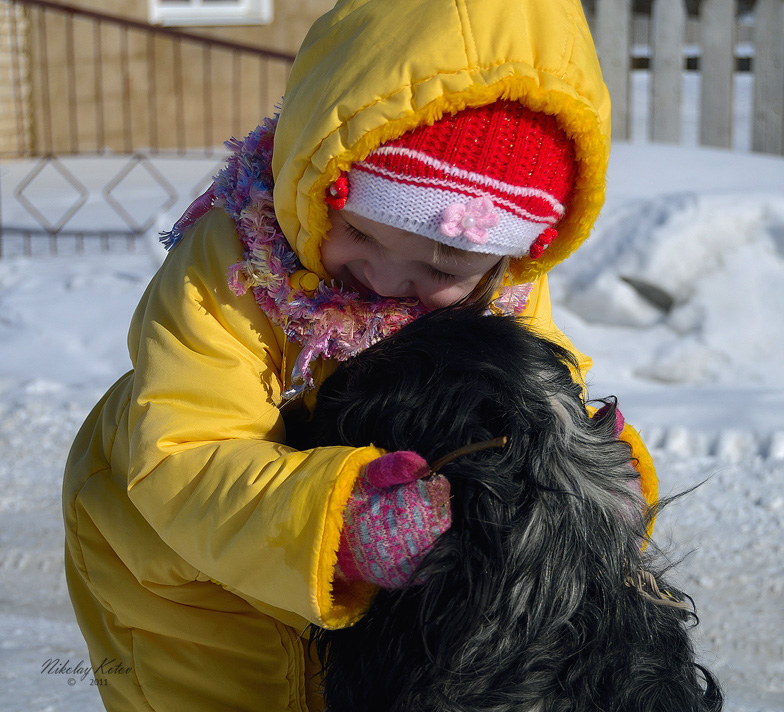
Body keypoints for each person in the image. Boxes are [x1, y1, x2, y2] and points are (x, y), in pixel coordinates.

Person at [62, 0, 657, 710]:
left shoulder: (498, 289)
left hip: (364, 591)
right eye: (359, 235)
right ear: (322, 187)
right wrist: (340, 528)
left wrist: (594, 479)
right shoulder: (236, 267)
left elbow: (535, 396)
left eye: (440, 270)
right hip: (188, 583)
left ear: (509, 254)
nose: (384, 280)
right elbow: (183, 455)